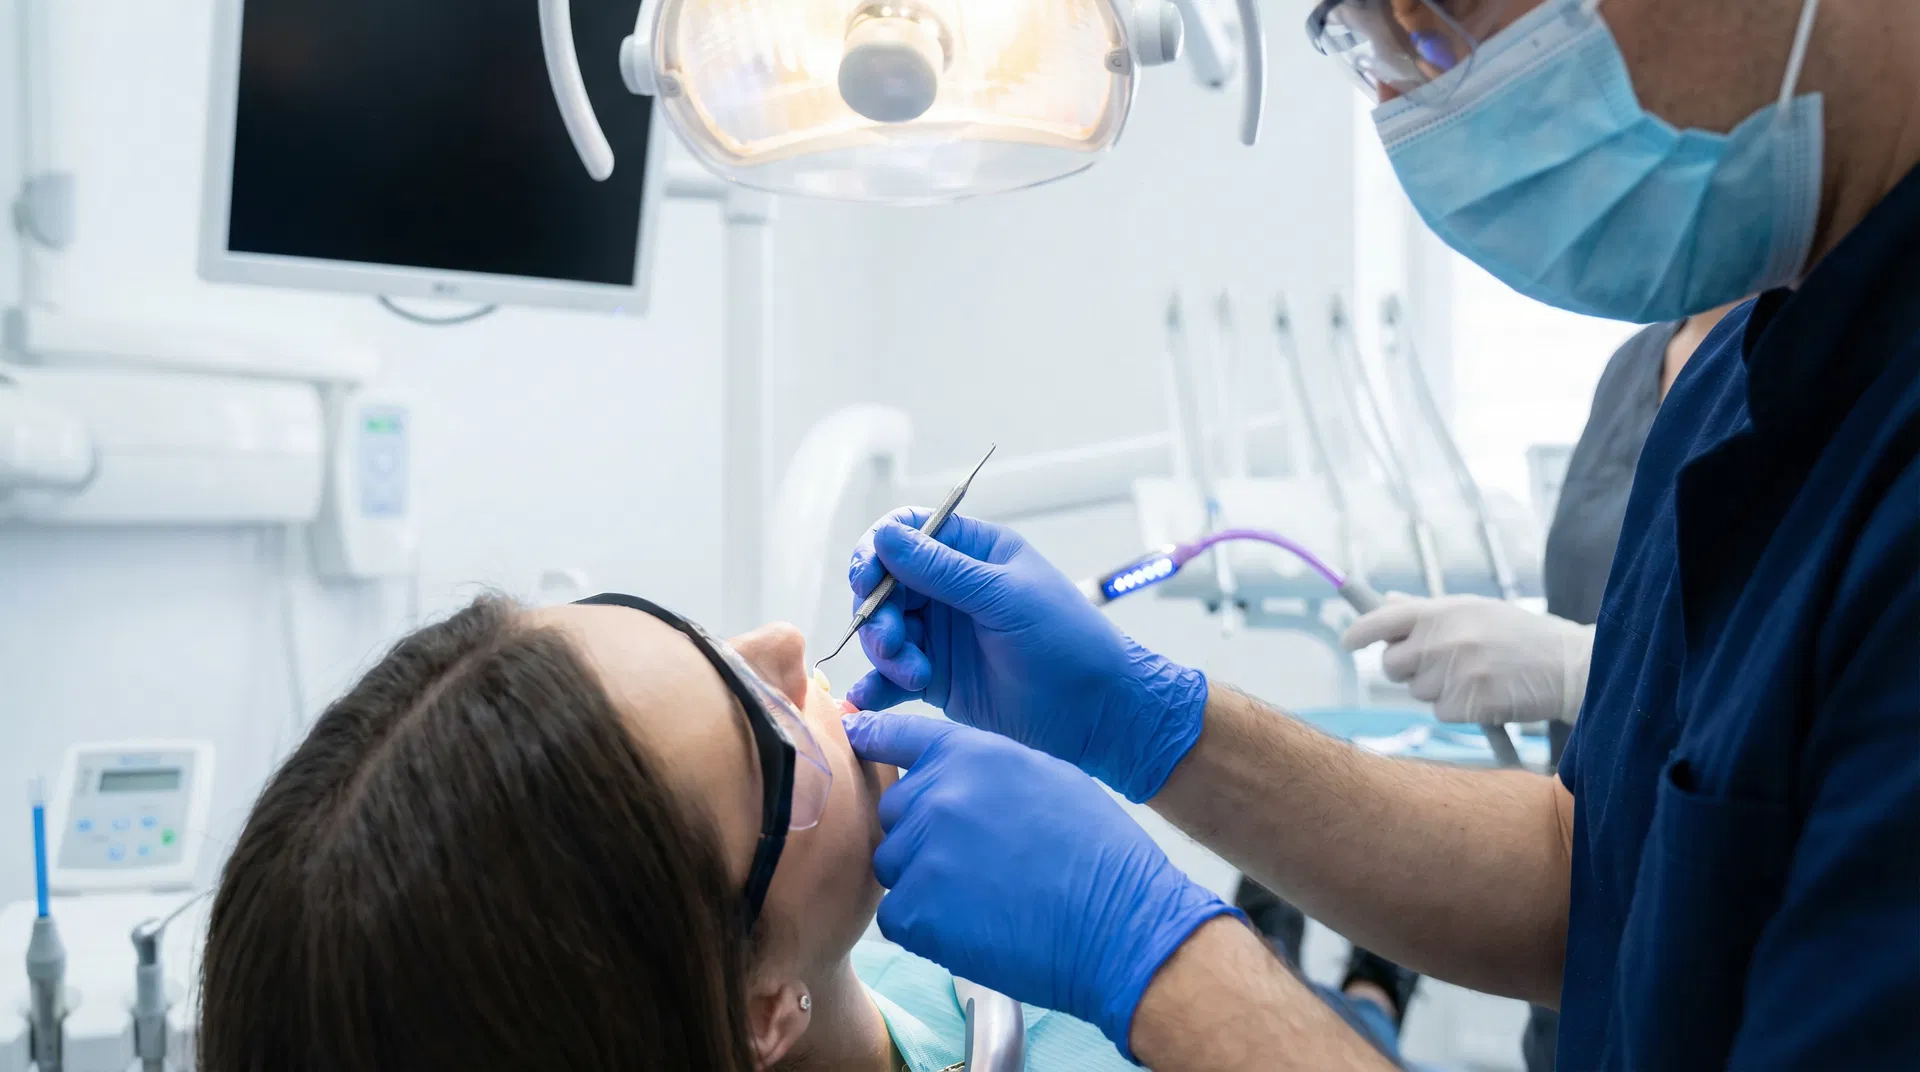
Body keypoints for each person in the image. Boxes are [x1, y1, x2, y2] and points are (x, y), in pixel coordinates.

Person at [837, 0, 1920, 1067]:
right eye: (1363, 32)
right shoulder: (1736, 382)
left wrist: (1146, 952)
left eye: (1444, 5)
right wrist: (1145, 722)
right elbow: (1592, 875)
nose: (1413, 73)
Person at [196, 593, 1148, 1071]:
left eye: (702, 643)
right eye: (765, 734)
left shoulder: (954, 982)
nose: (785, 644)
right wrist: (1156, 953)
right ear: (752, 1017)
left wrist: (1158, 731)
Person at [1340, 297, 1745, 1071]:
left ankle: (1369, 991)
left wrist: (1580, 667)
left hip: (1714, 937)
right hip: (1580, 923)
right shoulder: (1636, 368)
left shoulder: (1831, 372)